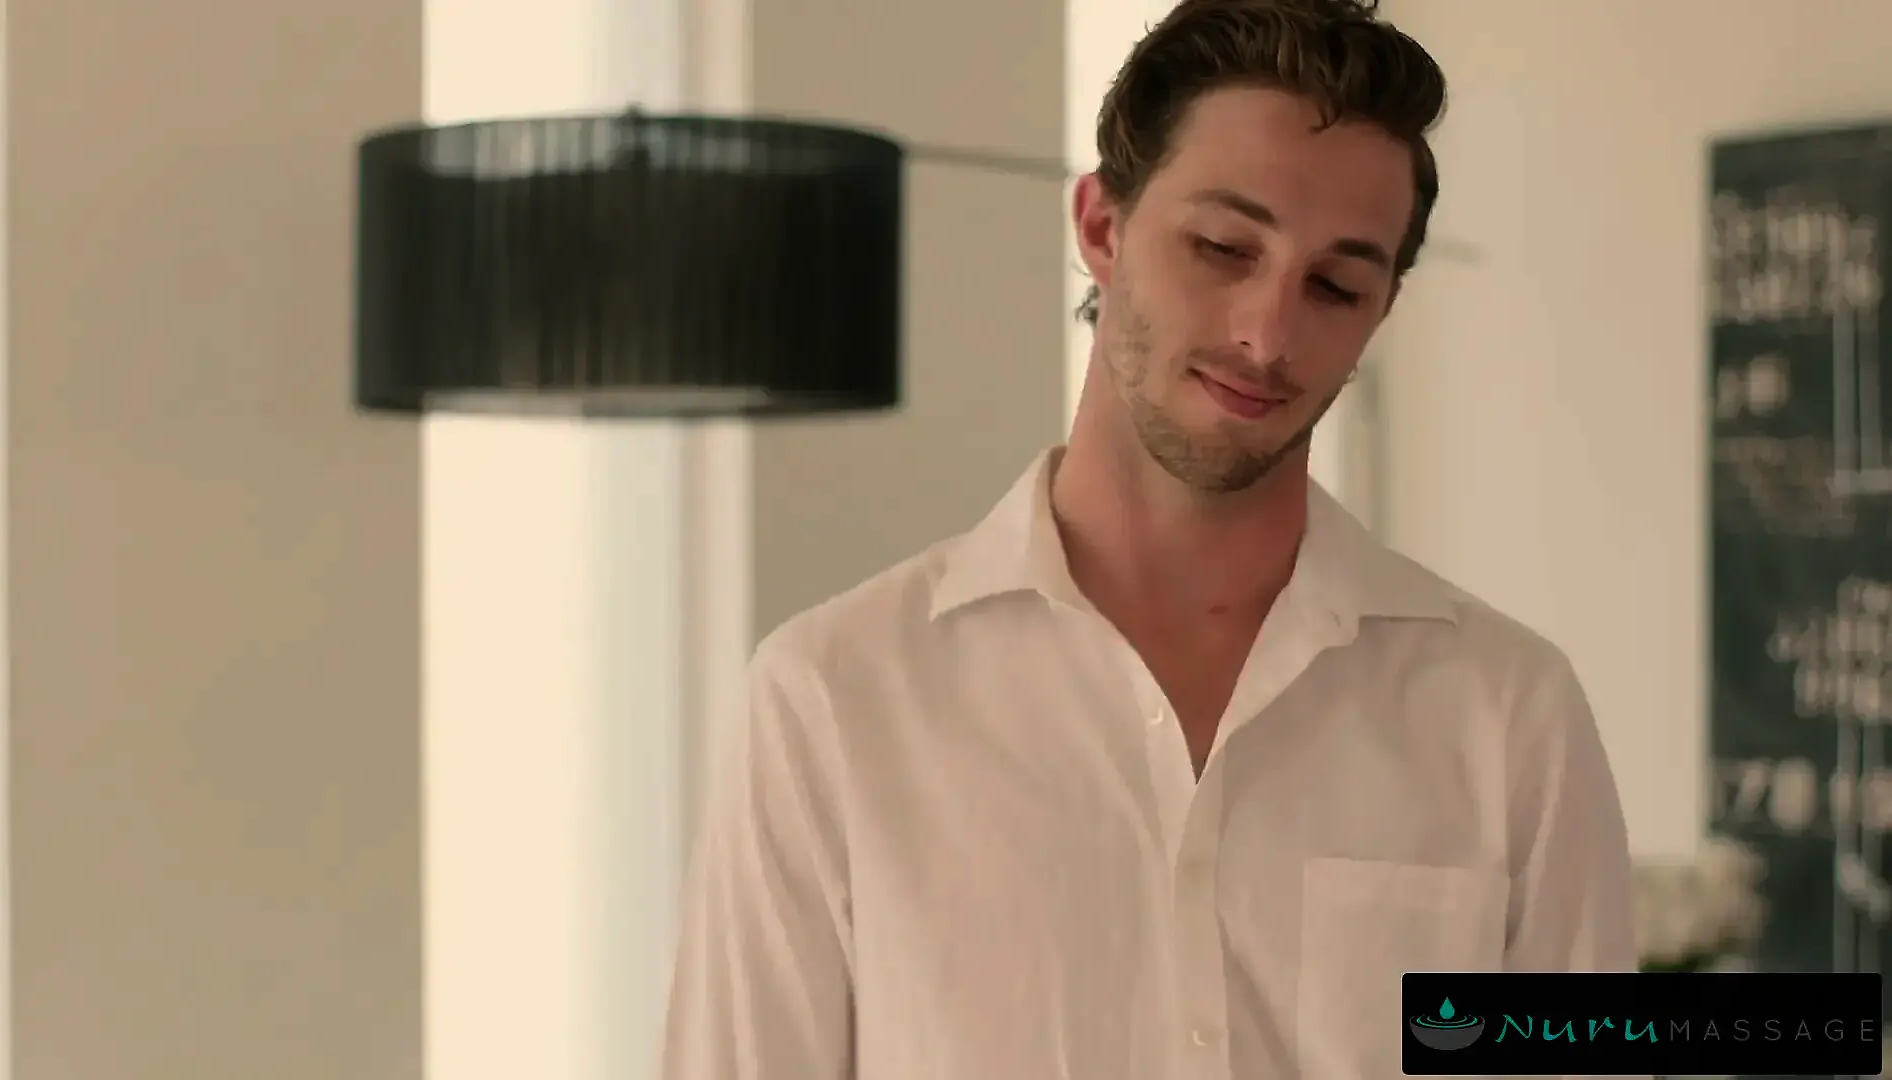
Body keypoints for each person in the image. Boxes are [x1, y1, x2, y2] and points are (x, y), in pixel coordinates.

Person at [661, 0, 1637, 1076]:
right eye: (1222, 247)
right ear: (1101, 228)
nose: (1267, 334)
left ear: (1381, 310)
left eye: (1335, 285)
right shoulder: (833, 701)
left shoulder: (1509, 714)